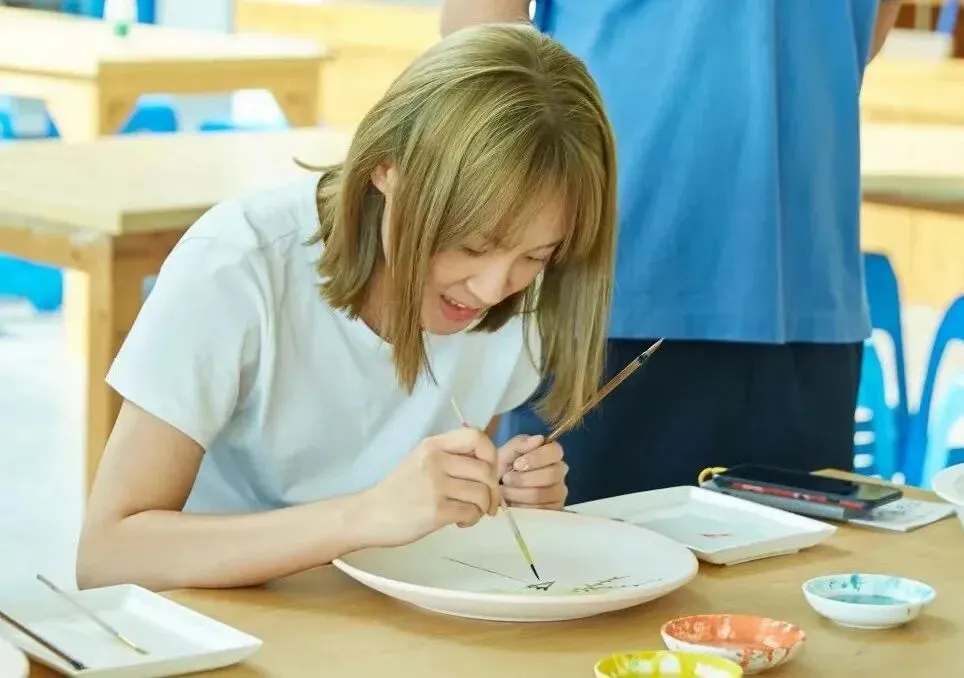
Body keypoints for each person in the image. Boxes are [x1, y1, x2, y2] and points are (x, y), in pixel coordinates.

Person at [75, 22, 618, 592]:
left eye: (535, 256)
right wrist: (364, 516)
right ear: (386, 167)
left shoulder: (521, 297)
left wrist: (489, 493)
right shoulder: (237, 264)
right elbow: (107, 556)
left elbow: (428, 518)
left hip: (372, 614)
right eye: (472, 246)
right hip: (217, 616)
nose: (491, 290)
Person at [441, 1, 903, 504]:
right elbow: (482, 36)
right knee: (575, 546)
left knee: (800, 553)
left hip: (805, 298)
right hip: (606, 286)